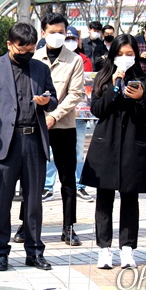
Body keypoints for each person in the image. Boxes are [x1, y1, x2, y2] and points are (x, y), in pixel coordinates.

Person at [0, 22, 57, 272]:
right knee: (3, 200)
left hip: (34, 139)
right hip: (5, 143)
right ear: (9, 44)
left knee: (34, 201)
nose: (27, 54)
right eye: (22, 50)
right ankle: (0, 252)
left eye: (32, 50)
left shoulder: (40, 68)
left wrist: (46, 101)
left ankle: (34, 251)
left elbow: (53, 99)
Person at [81, 34, 146, 269]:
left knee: (130, 197)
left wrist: (141, 98)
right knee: (104, 198)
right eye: (120, 54)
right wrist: (114, 87)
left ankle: (127, 248)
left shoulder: (144, 79)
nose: (125, 58)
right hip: (106, 144)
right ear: (113, 55)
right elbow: (97, 110)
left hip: (133, 144)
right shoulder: (103, 78)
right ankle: (104, 249)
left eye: (129, 54)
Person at [14, 14, 84, 247]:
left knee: (67, 177)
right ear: (43, 33)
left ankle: (69, 226)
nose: (57, 36)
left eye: (61, 32)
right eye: (52, 31)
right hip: (35, 124)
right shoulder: (33, 56)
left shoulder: (74, 60)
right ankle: (26, 224)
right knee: (32, 177)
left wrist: (54, 115)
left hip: (63, 124)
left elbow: (76, 94)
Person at [65, 26, 95, 203]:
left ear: (78, 41)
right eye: (67, 38)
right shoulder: (57, 58)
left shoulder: (85, 60)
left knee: (78, 151)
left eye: (73, 39)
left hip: (79, 113)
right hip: (59, 113)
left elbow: (89, 85)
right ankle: (47, 186)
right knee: (53, 152)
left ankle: (79, 185)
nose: (70, 41)